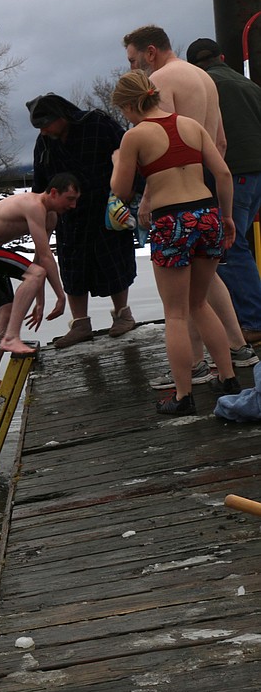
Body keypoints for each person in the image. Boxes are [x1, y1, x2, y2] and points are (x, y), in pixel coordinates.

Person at [123, 25, 258, 388]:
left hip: (176, 197)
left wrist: (149, 199)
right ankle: (237, 346)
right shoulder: (204, 78)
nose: (138, 70)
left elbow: (163, 144)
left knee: (181, 302)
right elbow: (221, 141)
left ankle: (194, 363)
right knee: (208, 278)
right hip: (210, 183)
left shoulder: (162, 82)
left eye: (136, 61)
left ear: (151, 52)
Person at [109, 70, 239, 415]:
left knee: (176, 314)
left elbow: (120, 193)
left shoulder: (135, 136)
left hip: (172, 222)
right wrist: (226, 217)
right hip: (207, 215)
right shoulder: (191, 126)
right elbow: (223, 173)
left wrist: (116, 163)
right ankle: (228, 378)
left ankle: (183, 397)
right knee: (200, 304)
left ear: (129, 104)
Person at [26, 93, 137, 347]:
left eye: (45, 125)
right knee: (73, 269)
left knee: (114, 262)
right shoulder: (44, 143)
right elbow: (40, 185)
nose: (43, 132)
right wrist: (40, 210)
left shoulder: (98, 124)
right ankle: (80, 324)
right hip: (69, 215)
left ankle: (123, 314)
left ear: (61, 116)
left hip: (105, 208)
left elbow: (129, 155)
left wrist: (130, 193)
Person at [0, 174, 78, 390]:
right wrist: (60, 296)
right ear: (53, 193)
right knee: (34, 275)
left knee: (6, 312)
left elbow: (39, 258)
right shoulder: (33, 205)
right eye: (69, 199)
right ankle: (12, 337)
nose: (73, 205)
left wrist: (40, 301)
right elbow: (43, 260)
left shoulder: (50, 217)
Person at [187, 37, 261, 345]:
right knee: (238, 242)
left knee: (229, 247)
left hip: (233, 173)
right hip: (257, 174)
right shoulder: (250, 86)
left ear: (193, 66)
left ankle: (253, 321)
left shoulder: (203, 87)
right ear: (222, 56)